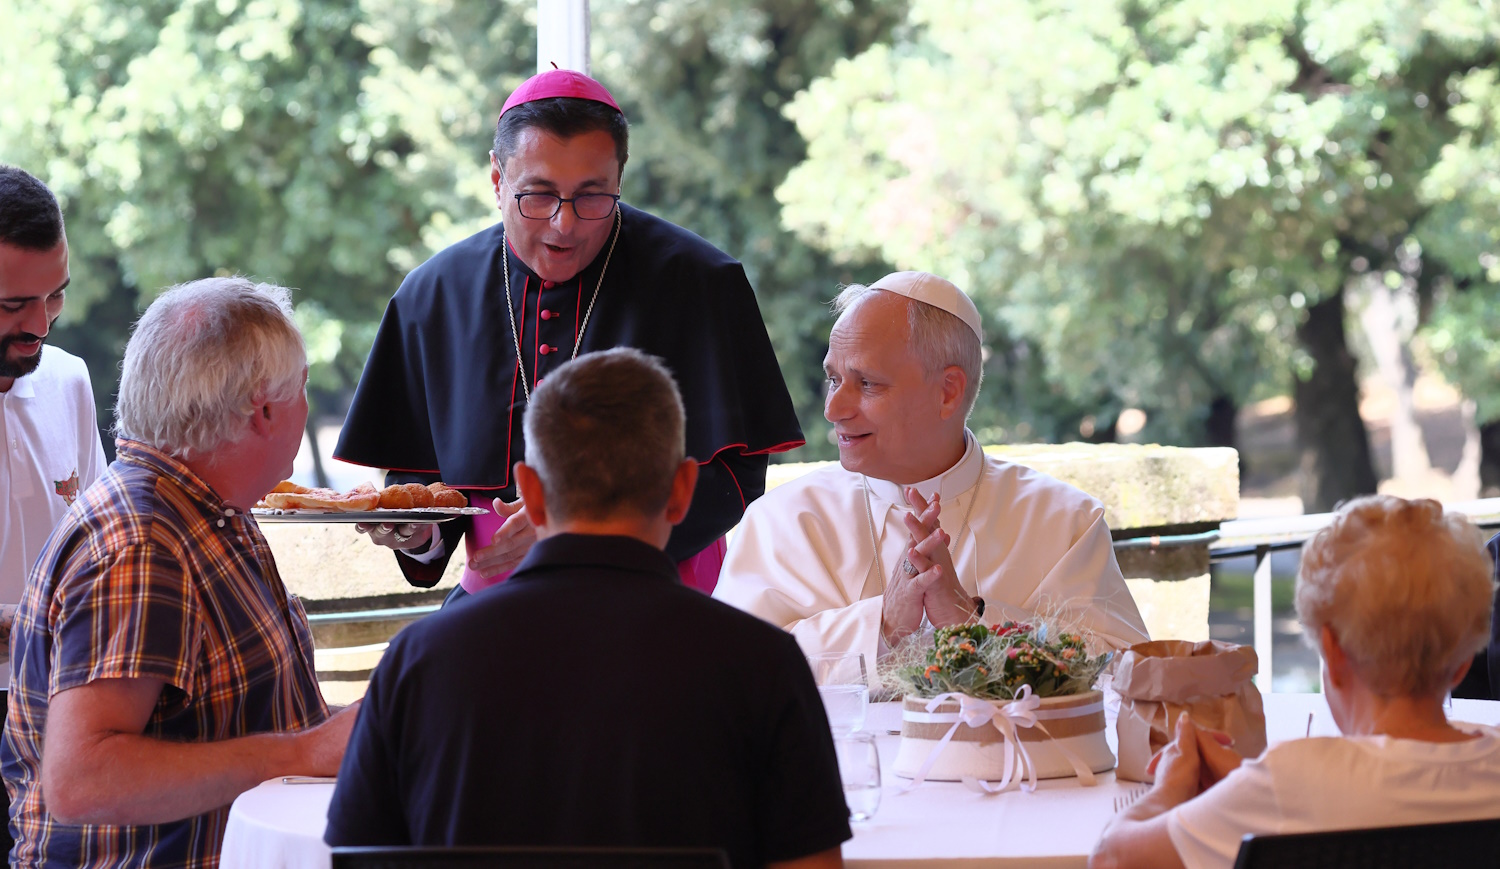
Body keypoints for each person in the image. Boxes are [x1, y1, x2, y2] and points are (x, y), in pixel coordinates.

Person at [325, 349, 849, 869]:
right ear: (683, 491)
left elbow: (356, 858)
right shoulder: (763, 663)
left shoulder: (419, 660)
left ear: (530, 492)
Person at [334, 68, 802, 599]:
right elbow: (420, 483)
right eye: (537, 195)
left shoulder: (699, 281)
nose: (564, 224)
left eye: (592, 196)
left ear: (619, 178)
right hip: (498, 601)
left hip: (664, 594)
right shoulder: (433, 294)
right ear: (497, 180)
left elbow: (739, 477)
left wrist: (583, 534)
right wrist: (417, 535)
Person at [2, 277, 359, 867]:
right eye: (302, 386)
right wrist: (299, 753)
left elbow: (247, 721)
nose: (306, 404)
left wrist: (368, 726)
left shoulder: (208, 507)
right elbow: (81, 780)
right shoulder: (143, 543)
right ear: (264, 411)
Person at [713, 271, 1149, 663]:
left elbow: (1125, 670)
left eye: (866, 383)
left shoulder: (1065, 522)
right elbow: (724, 669)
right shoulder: (782, 521)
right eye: (833, 379)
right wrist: (882, 626)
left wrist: (973, 622)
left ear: (948, 392)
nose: (833, 409)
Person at [1090, 495, 1500, 869]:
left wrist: (1169, 788)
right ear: (1463, 664)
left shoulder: (1289, 783)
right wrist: (1244, 785)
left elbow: (1111, 859)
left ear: (1333, 652)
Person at [0, 165, 106, 857]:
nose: (39, 324)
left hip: (59, 720)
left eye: (55, 295)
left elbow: (100, 546)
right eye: (13, 304)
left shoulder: (69, 380)